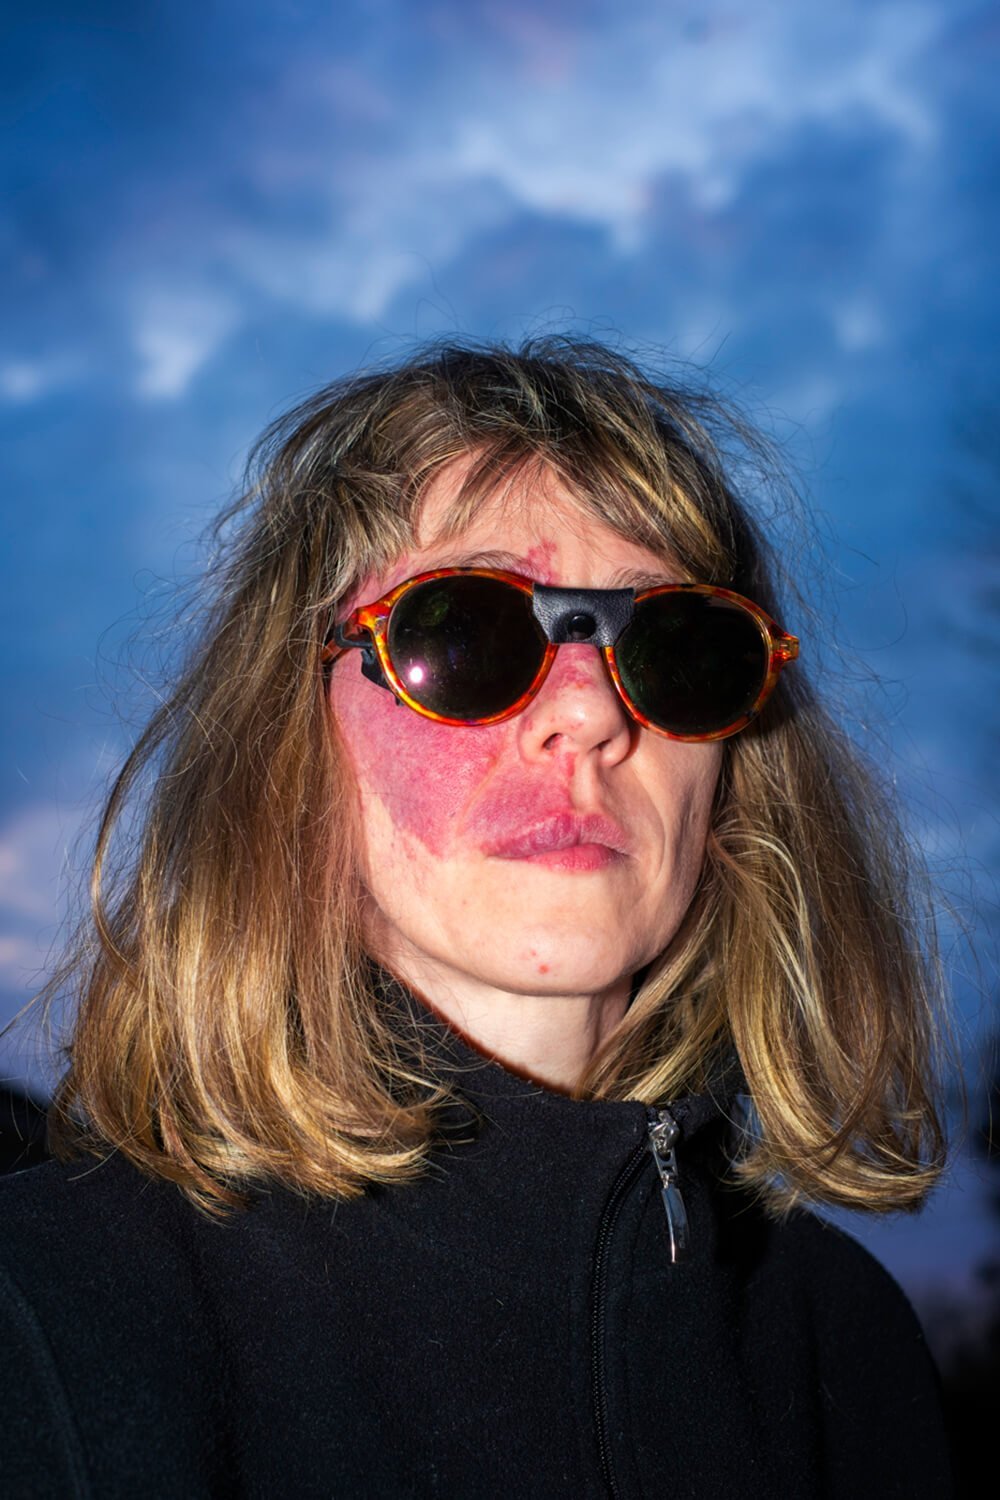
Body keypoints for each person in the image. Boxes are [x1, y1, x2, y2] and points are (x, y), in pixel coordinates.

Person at [1, 339, 952, 1497]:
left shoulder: (843, 1343)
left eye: (675, 647)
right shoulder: (46, 1317)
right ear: (287, 742)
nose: (589, 713)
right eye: (468, 636)